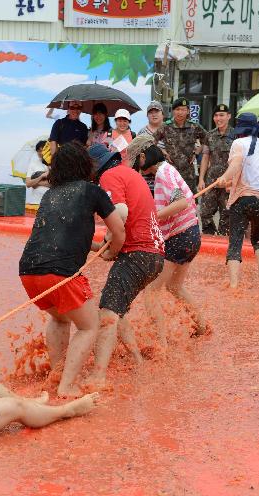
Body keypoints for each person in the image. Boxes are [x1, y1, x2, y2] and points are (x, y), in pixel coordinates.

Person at [19, 142, 125, 396]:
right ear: (85, 165)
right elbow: (119, 231)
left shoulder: (50, 195)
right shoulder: (92, 191)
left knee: (59, 318)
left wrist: (97, 246)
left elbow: (62, 234)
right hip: (61, 273)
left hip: (28, 272)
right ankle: (67, 385)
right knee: (89, 326)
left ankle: (57, 375)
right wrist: (112, 251)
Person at [87, 143, 165, 387]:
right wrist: (102, 246)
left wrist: (113, 251)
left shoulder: (109, 177)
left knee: (108, 313)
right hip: (155, 256)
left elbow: (120, 214)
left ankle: (98, 376)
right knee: (116, 309)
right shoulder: (131, 174)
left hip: (137, 253)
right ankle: (137, 359)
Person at [135, 144, 206, 346]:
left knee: (151, 290)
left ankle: (161, 343)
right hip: (191, 234)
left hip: (179, 235)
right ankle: (200, 325)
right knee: (175, 286)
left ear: (143, 156)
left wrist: (152, 217)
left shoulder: (163, 174)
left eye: (136, 159)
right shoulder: (168, 169)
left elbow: (180, 203)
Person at [214, 113, 259, 288]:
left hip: (243, 199)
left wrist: (224, 177)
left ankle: (234, 284)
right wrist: (229, 182)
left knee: (235, 241)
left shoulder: (238, 143)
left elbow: (236, 165)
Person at [153, 97, 210, 207]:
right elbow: (151, 141)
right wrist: (163, 152)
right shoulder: (165, 126)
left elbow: (207, 140)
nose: (180, 112)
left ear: (188, 111)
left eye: (183, 109)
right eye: (178, 109)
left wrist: (196, 152)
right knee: (172, 202)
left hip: (188, 173)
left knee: (190, 203)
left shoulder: (194, 126)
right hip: (170, 172)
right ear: (173, 111)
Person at [199, 103, 233, 235]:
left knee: (226, 214)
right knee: (205, 212)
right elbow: (206, 157)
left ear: (229, 116)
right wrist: (201, 179)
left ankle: (223, 241)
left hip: (228, 183)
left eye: (222, 115)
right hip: (211, 181)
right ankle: (210, 237)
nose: (219, 118)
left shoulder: (235, 135)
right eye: (216, 115)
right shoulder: (210, 135)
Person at [24, 140, 50, 205]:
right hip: (35, 202)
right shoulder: (33, 164)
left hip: (49, 202)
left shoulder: (53, 164)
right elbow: (28, 184)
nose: (41, 153)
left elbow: (53, 184)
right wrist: (41, 176)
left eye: (42, 150)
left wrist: (36, 183)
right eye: (39, 151)